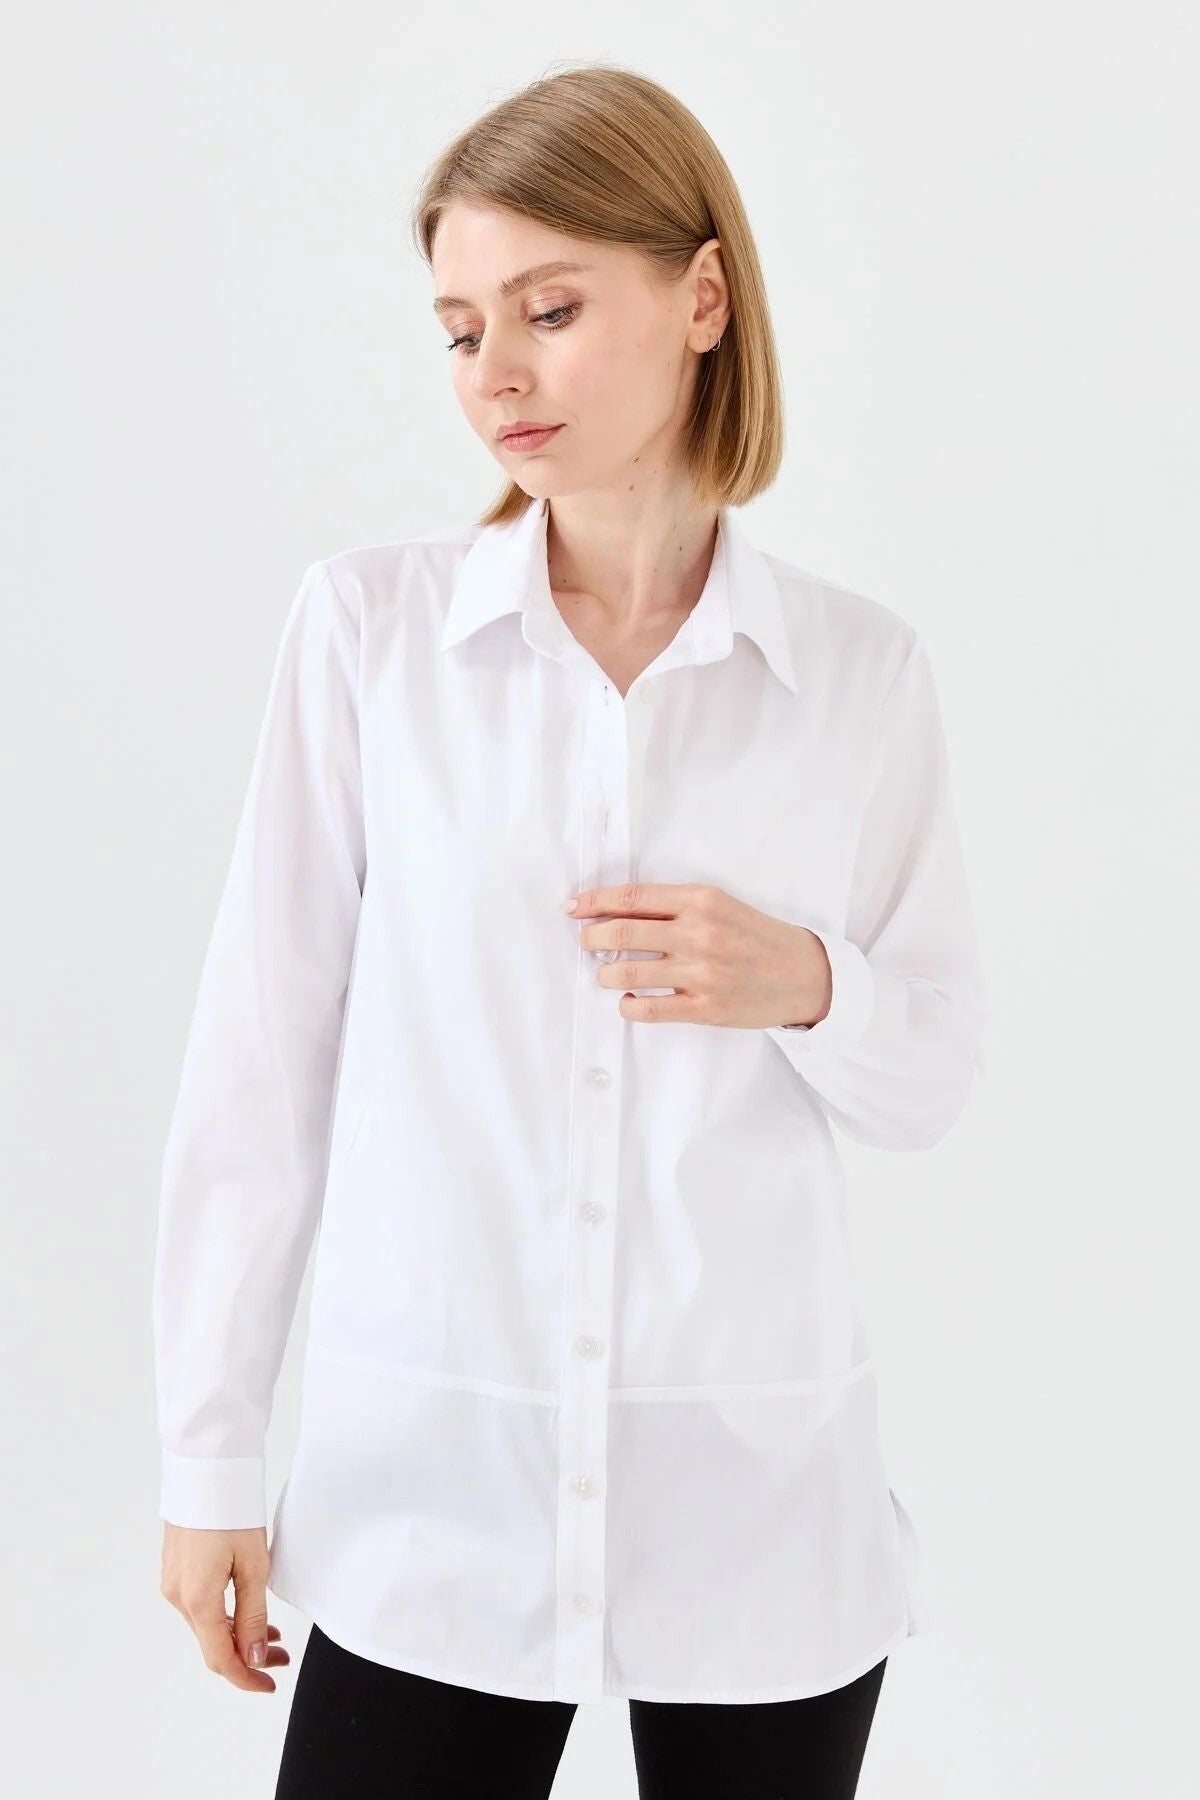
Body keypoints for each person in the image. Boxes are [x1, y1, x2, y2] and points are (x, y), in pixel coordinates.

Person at [154, 62, 987, 1799]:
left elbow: (930, 1081)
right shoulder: (369, 640)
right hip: (430, 1493)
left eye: (550, 309)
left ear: (703, 299)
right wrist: (208, 1456)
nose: (497, 374)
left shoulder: (859, 675)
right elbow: (260, 1063)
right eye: (462, 330)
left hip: (758, 1507)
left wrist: (806, 984)